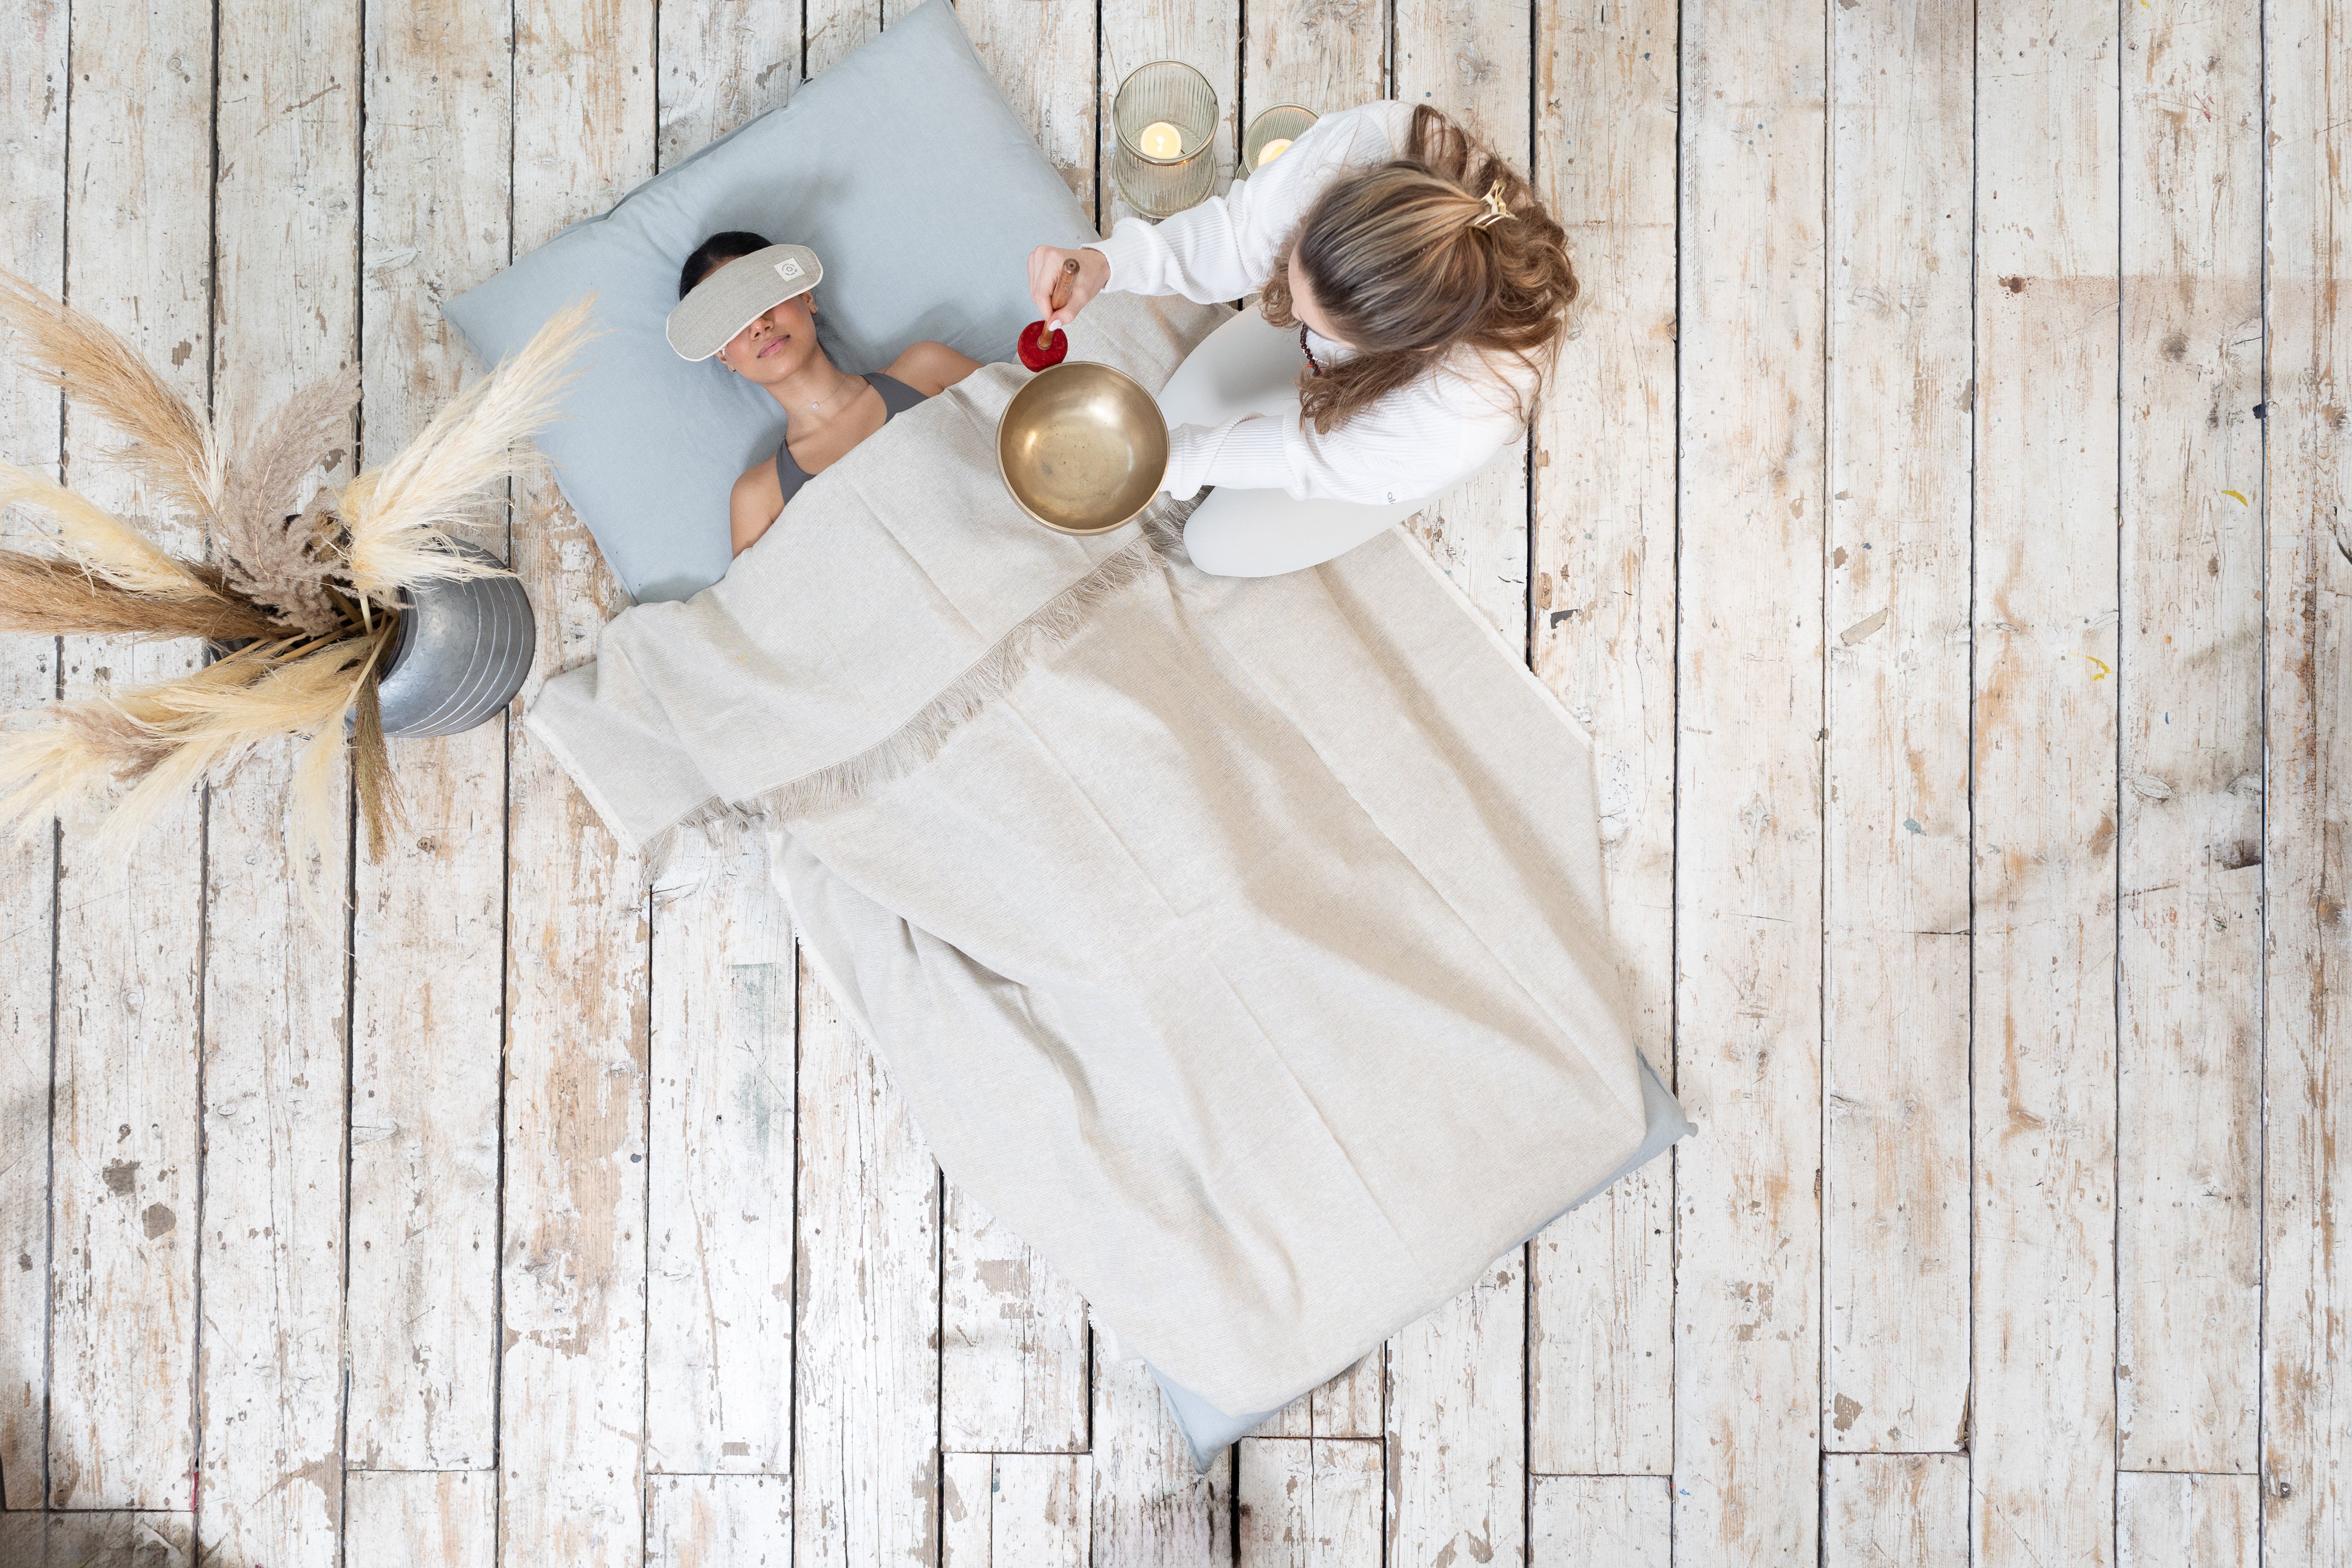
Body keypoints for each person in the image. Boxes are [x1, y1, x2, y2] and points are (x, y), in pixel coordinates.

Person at [1025, 102, 1578, 576]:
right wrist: (1106, 262)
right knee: (1172, 411)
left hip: (1387, 448)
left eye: (1311, 321)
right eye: (1291, 271)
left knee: (1214, 546)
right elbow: (1242, 235)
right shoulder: (1373, 143)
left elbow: (1307, 453)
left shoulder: (1453, 415)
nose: (1284, 309)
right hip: (1361, 318)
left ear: (1412, 345)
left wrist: (1161, 463)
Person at [668, 232, 984, 556]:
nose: (759, 325)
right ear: (724, 357)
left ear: (806, 297)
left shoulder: (928, 370)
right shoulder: (757, 499)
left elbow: (1030, 413)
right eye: (731, 321)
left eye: (763, 297)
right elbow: (768, 603)